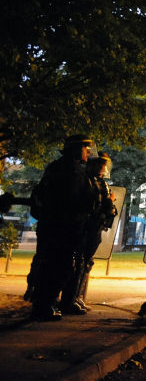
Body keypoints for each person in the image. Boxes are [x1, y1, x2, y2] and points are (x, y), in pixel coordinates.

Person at [28, 134, 96, 320]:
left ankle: (45, 304)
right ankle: (44, 306)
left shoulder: (59, 168)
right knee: (60, 266)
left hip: (56, 226)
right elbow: (72, 201)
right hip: (63, 228)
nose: (88, 152)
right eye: (85, 148)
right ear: (76, 149)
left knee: (55, 265)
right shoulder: (70, 171)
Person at [60, 153, 118, 314]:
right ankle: (69, 300)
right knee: (79, 262)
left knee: (85, 264)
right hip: (85, 227)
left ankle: (77, 297)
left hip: (95, 227)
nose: (103, 168)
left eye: (104, 165)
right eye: (100, 165)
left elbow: (106, 205)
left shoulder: (99, 183)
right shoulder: (86, 181)